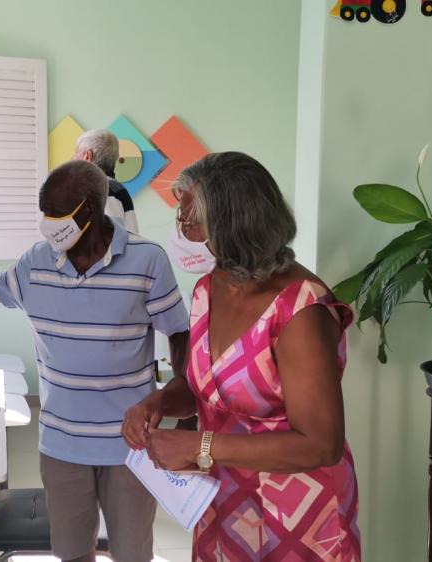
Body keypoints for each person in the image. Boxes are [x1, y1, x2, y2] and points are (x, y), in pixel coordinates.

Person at [0, 160, 190, 562]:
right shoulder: (36, 261)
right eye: (44, 212)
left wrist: (182, 400)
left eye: (55, 213)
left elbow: (179, 333)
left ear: (89, 211)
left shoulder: (148, 260)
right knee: (72, 553)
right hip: (62, 444)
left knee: (132, 554)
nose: (47, 224)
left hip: (129, 446)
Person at [122, 152, 361, 561]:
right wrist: (158, 402)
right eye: (181, 219)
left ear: (234, 227)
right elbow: (208, 389)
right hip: (223, 504)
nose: (180, 232)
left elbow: (321, 445)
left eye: (190, 222)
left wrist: (200, 445)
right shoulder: (209, 289)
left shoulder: (300, 310)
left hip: (299, 518)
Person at [74, 129, 139, 233]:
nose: (74, 158)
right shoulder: (116, 188)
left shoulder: (101, 189)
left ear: (88, 155)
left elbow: (110, 237)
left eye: (76, 153)